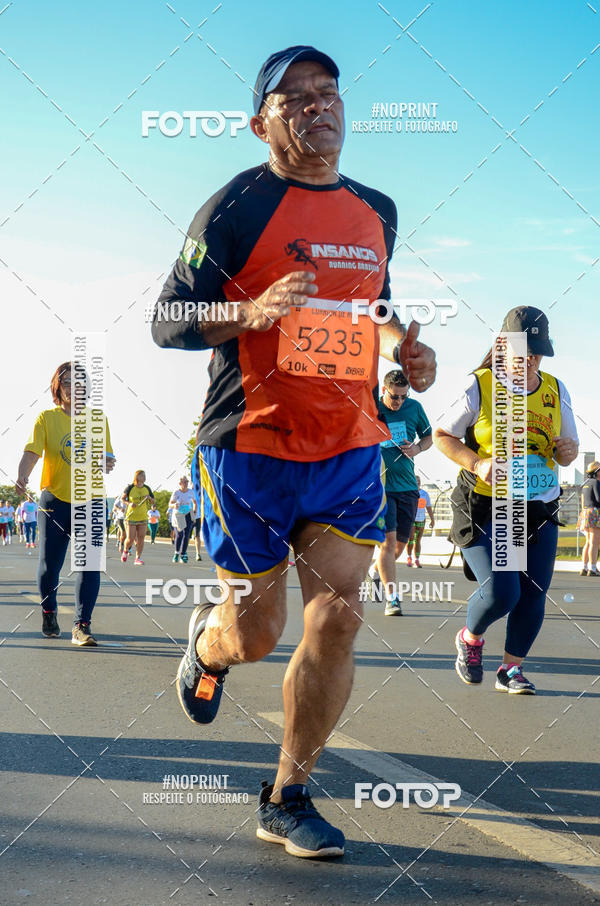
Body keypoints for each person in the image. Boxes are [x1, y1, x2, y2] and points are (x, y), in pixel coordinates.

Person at [152, 44, 436, 858]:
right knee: (257, 631)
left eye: (329, 92)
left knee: (339, 617)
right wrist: (249, 314)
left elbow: (371, 309)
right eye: (296, 97)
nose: (318, 105)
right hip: (249, 445)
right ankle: (208, 645)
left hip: (348, 446)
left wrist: (407, 356)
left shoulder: (375, 210)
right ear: (260, 123)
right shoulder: (235, 207)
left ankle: (288, 796)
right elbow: (167, 320)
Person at [433, 306, 578, 695]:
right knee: (503, 592)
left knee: (533, 594)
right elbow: (442, 435)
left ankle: (511, 670)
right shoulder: (479, 385)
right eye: (523, 351)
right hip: (487, 506)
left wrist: (567, 451)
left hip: (537, 506)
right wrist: (476, 462)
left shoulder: (555, 389)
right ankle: (470, 637)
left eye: (537, 352)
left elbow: (570, 450)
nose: (531, 359)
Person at [15, 361, 116, 644]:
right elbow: (33, 452)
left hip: (92, 500)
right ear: (58, 387)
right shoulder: (46, 418)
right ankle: (49, 611)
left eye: (80, 382)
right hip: (55, 500)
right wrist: (23, 475)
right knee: (51, 566)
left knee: (89, 565)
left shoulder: (99, 419)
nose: (75, 387)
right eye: (68, 382)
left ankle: (82, 626)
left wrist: (107, 462)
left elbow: (105, 456)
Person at [370, 370, 432, 615]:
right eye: (395, 397)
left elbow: (429, 438)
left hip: (407, 486)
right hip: (382, 487)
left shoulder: (414, 408)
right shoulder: (373, 407)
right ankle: (392, 599)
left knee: (401, 544)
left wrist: (417, 448)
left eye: (404, 397)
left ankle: (375, 570)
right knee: (389, 542)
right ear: (385, 390)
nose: (399, 402)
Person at [121, 470, 154, 565]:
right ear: (137, 477)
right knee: (130, 539)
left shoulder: (147, 488)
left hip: (143, 517)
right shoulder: (130, 487)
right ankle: (125, 550)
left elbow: (153, 501)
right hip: (131, 517)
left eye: (144, 475)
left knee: (141, 538)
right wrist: (129, 503)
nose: (143, 477)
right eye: (141, 475)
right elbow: (123, 499)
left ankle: (138, 558)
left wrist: (150, 499)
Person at [578, 460, 600, 576]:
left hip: (585, 513)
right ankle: (592, 568)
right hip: (595, 512)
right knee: (594, 542)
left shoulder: (586, 483)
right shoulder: (596, 483)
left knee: (588, 542)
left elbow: (583, 501)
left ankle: (584, 567)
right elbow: (598, 499)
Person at [169, 476, 196, 563]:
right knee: (179, 534)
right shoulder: (176, 492)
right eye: (184, 482)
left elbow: (195, 502)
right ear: (180, 483)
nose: (186, 484)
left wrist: (195, 511)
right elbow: (170, 504)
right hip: (179, 514)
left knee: (187, 534)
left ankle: (183, 554)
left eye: (187, 482)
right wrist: (174, 505)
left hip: (188, 513)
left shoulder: (191, 492)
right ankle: (177, 553)